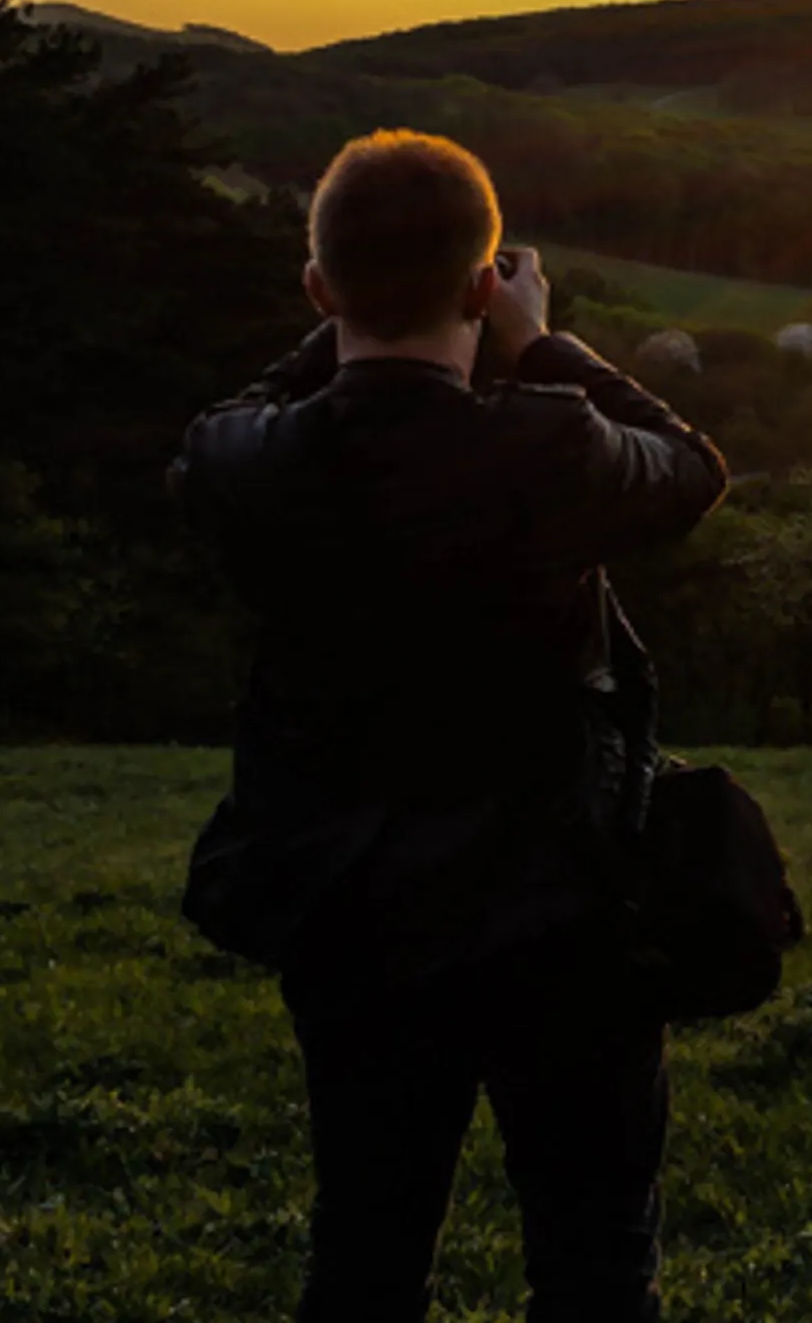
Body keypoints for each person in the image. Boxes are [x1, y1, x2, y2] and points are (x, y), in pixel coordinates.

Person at [173, 131, 728, 1321]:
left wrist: (344, 322)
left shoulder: (245, 463)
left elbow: (239, 415)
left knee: (364, 1254)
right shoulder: (546, 439)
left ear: (319, 290)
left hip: (347, 910)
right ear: (484, 285)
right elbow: (690, 469)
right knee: (594, 1263)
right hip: (565, 912)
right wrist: (544, 342)